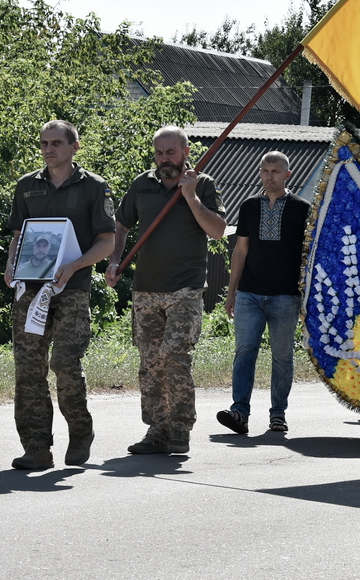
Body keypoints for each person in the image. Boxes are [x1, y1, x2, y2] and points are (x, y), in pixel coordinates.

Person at [107, 125, 226, 455]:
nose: (164, 159)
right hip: (145, 288)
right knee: (150, 362)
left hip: (185, 288)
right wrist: (115, 260)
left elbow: (217, 230)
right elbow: (121, 222)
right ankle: (157, 429)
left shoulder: (202, 184)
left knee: (175, 355)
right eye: (159, 153)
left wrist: (191, 199)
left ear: (186, 152)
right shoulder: (142, 185)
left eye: (171, 152)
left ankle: (180, 427)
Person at [4, 120, 116, 471]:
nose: (48, 149)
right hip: (30, 289)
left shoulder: (94, 187)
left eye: (56, 143)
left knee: (64, 364)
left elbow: (107, 242)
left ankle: (81, 430)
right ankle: (37, 448)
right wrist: (10, 264)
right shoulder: (27, 186)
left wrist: (75, 265)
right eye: (44, 143)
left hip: (72, 289)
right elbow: (18, 235)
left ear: (74, 147)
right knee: (28, 368)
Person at [215, 151, 311, 436]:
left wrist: (306, 298)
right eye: (265, 171)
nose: (269, 176)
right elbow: (240, 250)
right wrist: (231, 292)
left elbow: (309, 255)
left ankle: (278, 414)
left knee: (282, 356)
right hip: (249, 294)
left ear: (287, 175)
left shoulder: (302, 209)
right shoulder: (248, 206)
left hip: (286, 296)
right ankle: (239, 412)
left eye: (275, 171)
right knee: (245, 352)